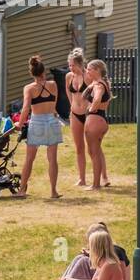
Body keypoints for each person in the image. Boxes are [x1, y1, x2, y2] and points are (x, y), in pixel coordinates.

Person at [12, 55, 63, 200]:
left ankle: (22, 190)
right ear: (43, 72)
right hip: (52, 121)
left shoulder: (29, 88)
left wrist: (19, 124)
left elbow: (26, 108)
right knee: (52, 159)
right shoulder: (53, 85)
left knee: (29, 159)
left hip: (37, 122)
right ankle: (53, 191)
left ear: (32, 73)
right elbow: (54, 105)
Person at [83, 59, 113, 189]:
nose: (87, 71)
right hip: (100, 119)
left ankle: (96, 185)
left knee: (94, 153)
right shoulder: (97, 83)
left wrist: (91, 108)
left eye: (89, 69)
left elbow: (97, 98)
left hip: (95, 120)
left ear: (97, 70)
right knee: (95, 152)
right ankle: (102, 179)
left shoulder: (99, 85)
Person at [65, 48, 90, 186]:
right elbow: (68, 91)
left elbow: (97, 90)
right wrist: (71, 105)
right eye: (69, 65)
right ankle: (82, 179)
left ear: (80, 64)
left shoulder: (88, 76)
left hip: (88, 114)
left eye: (73, 65)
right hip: (75, 114)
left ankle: (103, 177)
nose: (71, 68)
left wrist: (91, 107)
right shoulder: (69, 76)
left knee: (94, 147)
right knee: (79, 147)